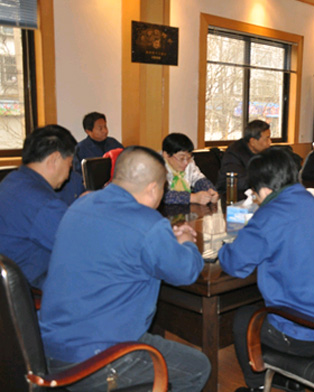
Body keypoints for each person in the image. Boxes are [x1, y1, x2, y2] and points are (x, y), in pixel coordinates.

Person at [39, 146, 210, 392]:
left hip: (50, 347)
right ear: (153, 188)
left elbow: (117, 243)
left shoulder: (81, 204)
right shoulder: (148, 223)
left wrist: (163, 240)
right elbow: (186, 272)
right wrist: (186, 243)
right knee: (198, 366)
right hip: (98, 359)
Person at [219, 147, 314, 392]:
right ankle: (287, 378)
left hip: (305, 336)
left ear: (264, 190)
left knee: (244, 319)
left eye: (255, 194)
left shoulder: (269, 216)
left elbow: (235, 264)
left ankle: (258, 386)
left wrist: (224, 247)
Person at [0, 125, 76, 289]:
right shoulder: (43, 203)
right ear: (54, 159)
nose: (68, 175)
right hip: (32, 286)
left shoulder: (12, 180)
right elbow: (80, 244)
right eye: (69, 165)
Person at [216, 119, 271, 197]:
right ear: (253, 142)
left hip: (255, 195)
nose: (270, 142)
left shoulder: (265, 152)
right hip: (230, 196)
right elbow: (240, 183)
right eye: (267, 138)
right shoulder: (234, 153)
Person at [162, 133, 219, 205]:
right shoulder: (156, 166)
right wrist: (192, 198)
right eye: (181, 158)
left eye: (188, 158)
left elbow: (199, 179)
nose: (186, 163)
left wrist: (210, 191)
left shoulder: (189, 163)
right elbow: (161, 195)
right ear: (166, 155)